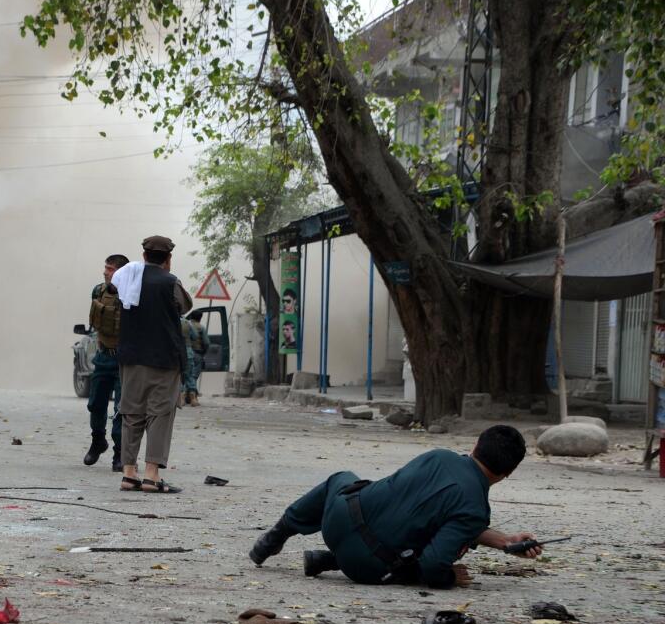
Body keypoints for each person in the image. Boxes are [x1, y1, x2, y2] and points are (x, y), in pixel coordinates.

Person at [248, 425, 542, 588]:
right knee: (419, 551)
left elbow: (447, 516)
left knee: (340, 479)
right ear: (509, 473)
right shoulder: (474, 508)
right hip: (365, 567)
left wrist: (505, 541)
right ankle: (334, 560)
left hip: (338, 517)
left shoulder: (439, 456)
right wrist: (451, 577)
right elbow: (434, 564)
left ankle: (278, 536)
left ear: (475, 447)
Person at [111, 235, 192, 494]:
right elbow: (185, 306)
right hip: (164, 360)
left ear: (144, 255)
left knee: (131, 413)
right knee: (159, 414)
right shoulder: (170, 282)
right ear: (168, 259)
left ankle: (128, 474)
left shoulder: (126, 279)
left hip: (131, 358)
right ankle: (151, 476)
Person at [84, 254, 129, 470]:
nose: (105, 272)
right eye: (105, 267)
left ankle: (119, 454)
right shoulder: (98, 291)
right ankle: (97, 441)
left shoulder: (132, 294)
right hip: (103, 356)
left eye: (110, 269)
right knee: (96, 404)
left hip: (124, 360)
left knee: (122, 408)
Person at [181, 310, 210, 406]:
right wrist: (203, 353)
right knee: (192, 376)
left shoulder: (179, 322)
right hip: (196, 353)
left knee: (183, 375)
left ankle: (183, 397)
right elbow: (206, 342)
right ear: (200, 318)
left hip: (181, 352)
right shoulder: (200, 327)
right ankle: (193, 398)